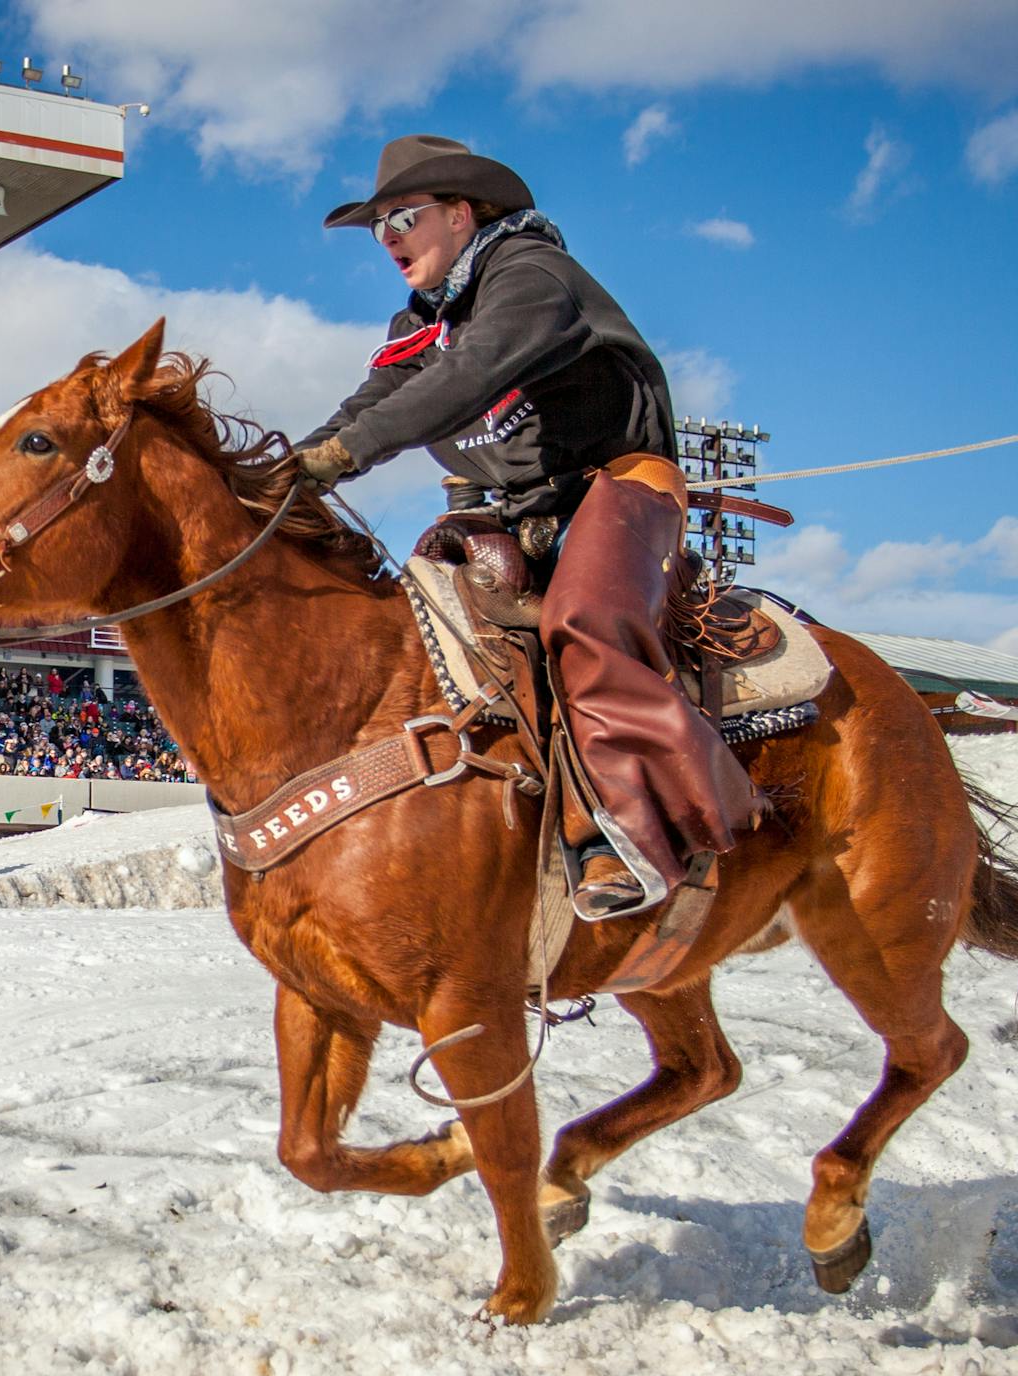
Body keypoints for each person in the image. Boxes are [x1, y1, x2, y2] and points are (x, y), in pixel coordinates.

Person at [290, 134, 761, 920]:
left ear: (463, 212)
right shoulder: (424, 318)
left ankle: (622, 836)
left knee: (584, 618)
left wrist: (339, 459)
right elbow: (369, 405)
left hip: (617, 487)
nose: (390, 239)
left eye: (402, 216)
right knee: (415, 621)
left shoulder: (531, 276)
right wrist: (285, 471)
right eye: (379, 228)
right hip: (513, 513)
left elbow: (467, 377)